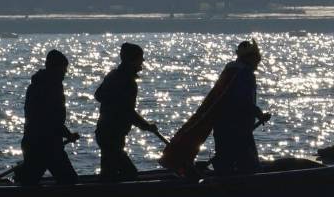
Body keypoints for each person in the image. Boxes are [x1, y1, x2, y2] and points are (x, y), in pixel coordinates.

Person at [160, 40, 272, 177]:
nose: (258, 63)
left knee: (225, 160)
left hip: (222, 125)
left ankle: (223, 179)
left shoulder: (230, 71)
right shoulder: (244, 74)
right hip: (237, 127)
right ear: (250, 58)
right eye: (257, 59)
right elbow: (242, 101)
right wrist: (259, 113)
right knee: (248, 164)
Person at [94, 42, 159, 181]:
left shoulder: (113, 76)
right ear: (131, 60)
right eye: (140, 58)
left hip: (105, 132)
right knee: (130, 173)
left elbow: (99, 96)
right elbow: (128, 112)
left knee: (108, 173)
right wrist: (146, 126)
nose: (142, 61)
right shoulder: (127, 82)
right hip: (112, 135)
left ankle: (105, 190)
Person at [14, 49, 80, 186]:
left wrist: (66, 134)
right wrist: (68, 134)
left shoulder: (38, 85)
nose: (65, 72)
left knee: (29, 182)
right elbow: (50, 120)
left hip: (34, 142)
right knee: (70, 182)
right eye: (63, 69)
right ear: (55, 68)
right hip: (46, 146)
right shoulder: (50, 87)